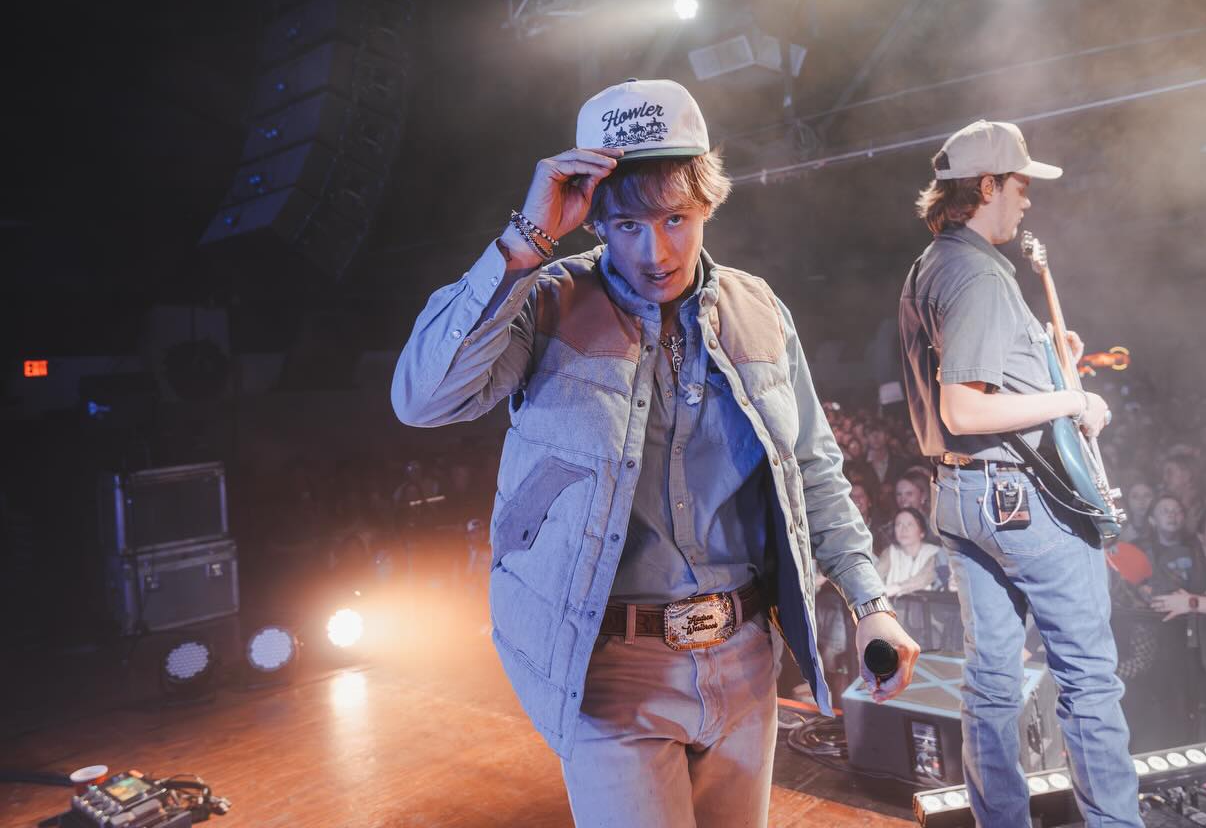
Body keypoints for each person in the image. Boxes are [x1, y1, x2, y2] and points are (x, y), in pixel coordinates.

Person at [391, 78, 918, 827]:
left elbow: (811, 468)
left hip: (744, 661)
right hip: (612, 673)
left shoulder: (759, 309)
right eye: (629, 225)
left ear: (707, 201)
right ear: (597, 220)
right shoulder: (544, 301)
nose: (657, 250)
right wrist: (524, 242)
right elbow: (420, 398)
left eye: (676, 218)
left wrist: (871, 604)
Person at [897, 118, 1141, 828]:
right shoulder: (975, 273)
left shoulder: (934, 264)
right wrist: (1075, 398)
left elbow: (979, 379)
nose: (1027, 199)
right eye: (1020, 185)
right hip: (1016, 500)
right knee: (1089, 682)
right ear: (985, 187)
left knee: (993, 683)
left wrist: (1043, 349)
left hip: (963, 499)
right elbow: (966, 407)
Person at [875, 506, 943, 597]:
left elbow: (924, 578)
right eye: (899, 524)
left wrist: (897, 588)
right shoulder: (890, 552)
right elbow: (875, 578)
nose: (903, 529)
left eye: (910, 524)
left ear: (922, 532)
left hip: (928, 608)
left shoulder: (936, 553)